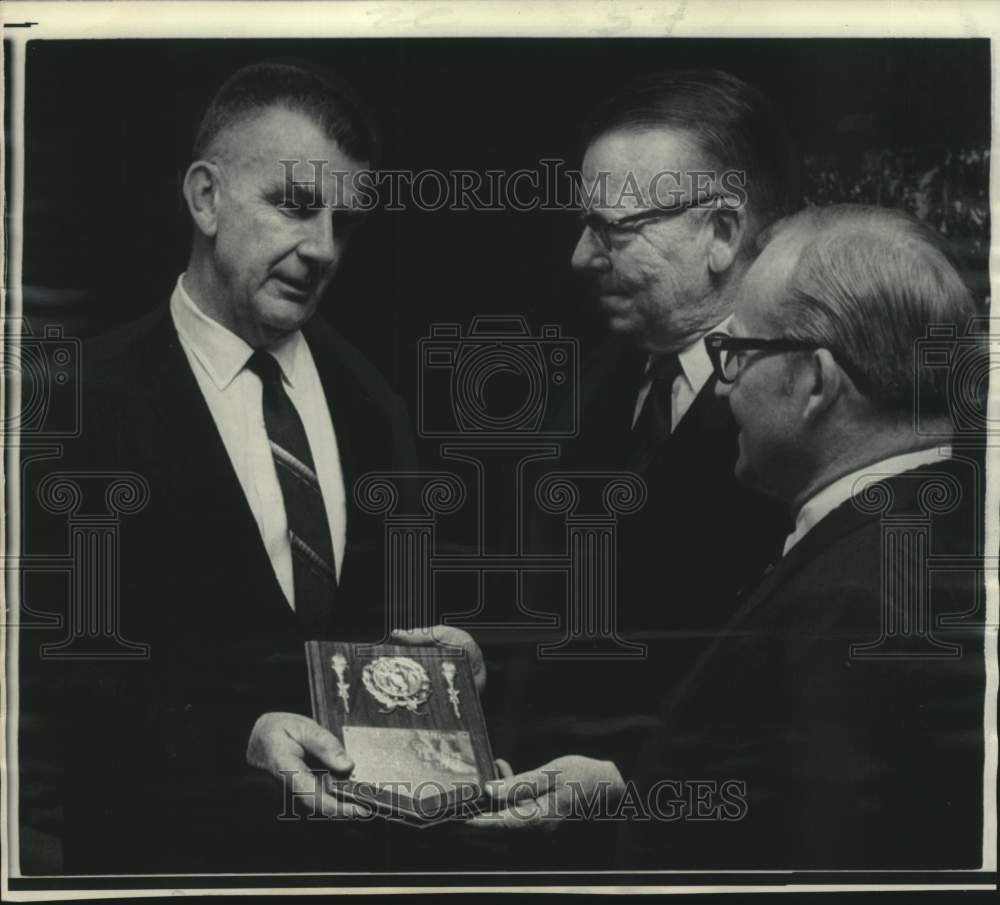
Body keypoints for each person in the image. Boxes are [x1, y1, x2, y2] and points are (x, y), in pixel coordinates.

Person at [476, 204, 987, 870]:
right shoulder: (929, 534)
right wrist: (624, 790)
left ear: (815, 382)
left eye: (738, 354)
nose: (721, 385)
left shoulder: (854, 599)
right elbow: (778, 792)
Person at [20, 61, 419, 873]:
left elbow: (384, 628)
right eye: (295, 206)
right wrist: (233, 735)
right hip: (155, 864)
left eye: (343, 222)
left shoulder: (374, 401)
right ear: (205, 199)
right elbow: (53, 661)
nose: (322, 250)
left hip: (350, 872)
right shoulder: (74, 401)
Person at [509, 69, 797, 776]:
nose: (580, 257)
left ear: (722, 232)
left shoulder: (803, 422)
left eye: (613, 230)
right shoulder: (589, 387)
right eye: (585, 225)